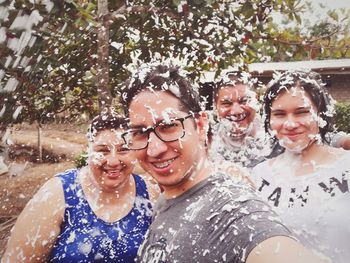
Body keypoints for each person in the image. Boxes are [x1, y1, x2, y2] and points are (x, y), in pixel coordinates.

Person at [120, 64, 328, 263]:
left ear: (201, 125)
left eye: (168, 126)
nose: (154, 149)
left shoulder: (232, 209)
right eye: (139, 132)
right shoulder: (167, 198)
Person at [2, 109, 159, 262]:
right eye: (102, 151)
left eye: (123, 150)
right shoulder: (57, 194)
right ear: (88, 151)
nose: (113, 161)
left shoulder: (150, 193)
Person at [251, 70, 350, 263]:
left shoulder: (346, 166)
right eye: (279, 114)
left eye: (301, 112)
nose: (290, 124)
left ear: (320, 113)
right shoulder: (259, 175)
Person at [209, 71, 350, 170]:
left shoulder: (274, 132)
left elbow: (319, 138)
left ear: (255, 100)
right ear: (216, 107)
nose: (236, 111)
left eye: (244, 101)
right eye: (226, 103)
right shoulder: (208, 144)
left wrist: (344, 141)